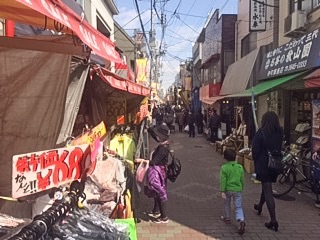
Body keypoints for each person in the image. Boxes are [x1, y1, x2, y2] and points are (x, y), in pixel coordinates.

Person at [252, 111, 283, 232]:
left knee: (268, 190)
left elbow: (255, 149)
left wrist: (256, 161)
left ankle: (273, 220)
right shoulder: (280, 132)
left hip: (264, 164)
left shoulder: (261, 132)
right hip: (275, 164)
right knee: (266, 186)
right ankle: (259, 206)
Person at [144, 123, 170, 223]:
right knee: (156, 192)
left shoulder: (163, 148)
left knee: (160, 193)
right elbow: (156, 137)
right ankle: (156, 210)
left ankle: (164, 217)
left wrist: (141, 161)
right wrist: (149, 129)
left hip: (159, 174)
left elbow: (154, 162)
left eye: (159, 134)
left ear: (162, 136)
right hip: (159, 173)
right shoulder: (164, 143)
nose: (157, 136)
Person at [220, 149, 246, 235]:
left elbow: (223, 180)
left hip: (228, 189)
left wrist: (222, 191)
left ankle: (227, 218)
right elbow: (242, 179)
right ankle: (241, 220)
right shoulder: (240, 167)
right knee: (238, 206)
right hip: (237, 189)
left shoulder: (224, 168)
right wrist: (242, 187)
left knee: (227, 203)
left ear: (225, 158)